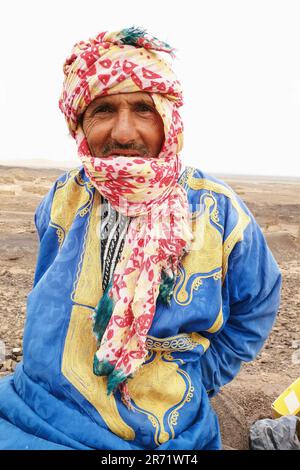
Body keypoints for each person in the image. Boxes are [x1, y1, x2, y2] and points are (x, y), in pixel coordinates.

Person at [0, 27, 281, 450]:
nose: (124, 133)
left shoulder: (218, 210)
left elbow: (258, 301)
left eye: (143, 109)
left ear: (168, 118)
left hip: (158, 428)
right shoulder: (63, 196)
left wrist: (202, 377)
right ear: (80, 122)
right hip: (33, 406)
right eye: (104, 110)